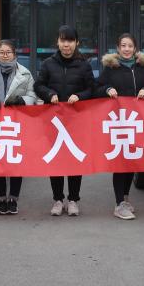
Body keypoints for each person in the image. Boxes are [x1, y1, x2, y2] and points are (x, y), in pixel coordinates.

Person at [34, 25, 95, 216]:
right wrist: (49, 94)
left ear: (76, 43)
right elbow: (38, 85)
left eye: (70, 41)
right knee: (56, 160)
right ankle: (58, 199)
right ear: (57, 42)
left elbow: (92, 89)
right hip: (54, 121)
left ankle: (74, 199)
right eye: (63, 40)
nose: (66, 45)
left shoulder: (84, 65)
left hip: (77, 121)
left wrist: (80, 96)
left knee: (75, 159)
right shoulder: (48, 64)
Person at [98, 32, 144, 220]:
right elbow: (96, 88)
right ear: (118, 48)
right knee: (119, 161)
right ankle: (118, 204)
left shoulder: (142, 68)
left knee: (131, 160)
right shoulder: (110, 68)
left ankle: (125, 197)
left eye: (130, 46)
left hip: (136, 122)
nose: (126, 49)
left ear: (135, 48)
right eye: (123, 45)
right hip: (118, 121)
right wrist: (107, 89)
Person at [0, 38, 38, 215]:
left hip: (17, 123)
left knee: (15, 161)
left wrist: (21, 100)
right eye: (2, 53)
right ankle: (1, 200)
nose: (5, 56)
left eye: (8, 52)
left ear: (14, 54)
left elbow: (32, 94)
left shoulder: (25, 73)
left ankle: (14, 200)